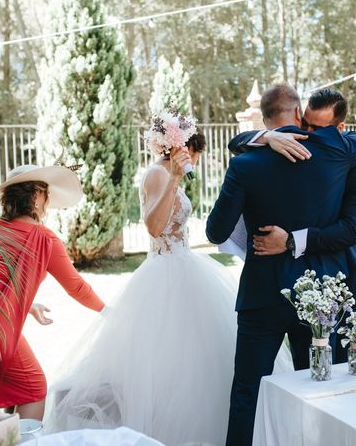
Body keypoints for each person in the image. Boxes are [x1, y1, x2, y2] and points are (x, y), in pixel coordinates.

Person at [44, 128, 290, 445]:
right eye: (193, 155)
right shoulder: (158, 175)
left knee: (203, 355)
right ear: (180, 149)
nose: (193, 163)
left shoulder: (169, 173)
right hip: (164, 273)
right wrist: (174, 178)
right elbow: (154, 226)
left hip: (186, 264)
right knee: (167, 360)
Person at [206, 83, 356, 446]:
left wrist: (257, 141)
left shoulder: (245, 162)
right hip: (324, 295)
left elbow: (215, 230)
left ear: (265, 120)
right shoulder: (345, 158)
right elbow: (349, 227)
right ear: (299, 115)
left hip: (263, 293)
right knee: (322, 388)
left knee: (248, 389)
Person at [0, 165, 106, 420]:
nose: (48, 200)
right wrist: (108, 310)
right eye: (46, 193)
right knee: (33, 388)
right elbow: (76, 287)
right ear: (36, 196)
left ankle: (4, 437)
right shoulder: (43, 238)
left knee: (9, 393)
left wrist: (28, 305)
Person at [226, 88, 356, 363]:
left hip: (328, 287)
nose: (308, 134)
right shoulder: (280, 148)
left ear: (339, 129)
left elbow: (350, 231)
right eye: (305, 124)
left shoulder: (353, 163)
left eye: (317, 129)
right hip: (272, 288)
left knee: (324, 381)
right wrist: (268, 135)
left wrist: (292, 241)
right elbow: (236, 142)